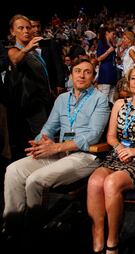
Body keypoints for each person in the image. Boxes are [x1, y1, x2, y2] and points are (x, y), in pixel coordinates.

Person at [3, 58, 110, 237]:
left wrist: (58, 147)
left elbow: (93, 135)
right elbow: (49, 127)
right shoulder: (62, 99)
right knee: (13, 170)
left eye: (87, 72)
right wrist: (40, 143)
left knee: (35, 180)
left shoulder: (100, 99)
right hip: (59, 152)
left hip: (84, 156)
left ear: (93, 76)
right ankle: (12, 225)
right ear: (71, 74)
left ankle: (31, 229)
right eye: (77, 71)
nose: (82, 75)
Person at [87, 64, 135, 253]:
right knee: (94, 181)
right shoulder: (119, 104)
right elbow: (111, 137)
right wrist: (120, 147)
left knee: (111, 183)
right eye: (133, 78)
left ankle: (112, 242)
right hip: (118, 153)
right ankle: (97, 237)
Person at [5, 14, 54, 160]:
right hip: (32, 104)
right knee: (42, 137)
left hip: (43, 100)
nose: (26, 30)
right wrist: (26, 49)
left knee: (46, 135)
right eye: (21, 28)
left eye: (28, 27)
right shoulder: (13, 49)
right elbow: (15, 59)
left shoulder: (33, 51)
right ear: (13, 32)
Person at [30, 17, 67, 97]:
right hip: (33, 88)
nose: (36, 29)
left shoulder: (50, 43)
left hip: (51, 86)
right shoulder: (24, 47)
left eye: (38, 26)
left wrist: (60, 84)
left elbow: (58, 64)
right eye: (33, 26)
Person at [96, 24, 118, 103]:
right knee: (104, 96)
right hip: (105, 73)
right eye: (113, 34)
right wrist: (108, 51)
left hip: (112, 72)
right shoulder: (101, 42)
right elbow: (98, 58)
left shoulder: (111, 43)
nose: (114, 36)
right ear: (107, 33)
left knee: (112, 96)